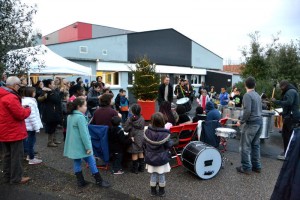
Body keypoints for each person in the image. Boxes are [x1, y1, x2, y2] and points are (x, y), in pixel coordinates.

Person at [64, 98, 110, 188]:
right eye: (84, 105)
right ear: (78, 106)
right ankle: (99, 181)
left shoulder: (70, 116)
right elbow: (84, 134)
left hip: (74, 145)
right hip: (83, 145)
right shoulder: (80, 117)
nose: (86, 107)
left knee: (77, 162)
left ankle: (80, 182)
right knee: (92, 161)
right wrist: (88, 147)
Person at [0, 76, 31, 184]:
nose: (19, 88)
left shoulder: (2, 95)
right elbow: (20, 114)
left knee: (7, 155)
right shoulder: (11, 97)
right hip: (13, 131)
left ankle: (6, 176)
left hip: (3, 130)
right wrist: (27, 109)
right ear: (14, 85)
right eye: (19, 85)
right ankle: (16, 178)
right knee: (16, 156)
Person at [236, 76, 263, 175]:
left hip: (252, 124)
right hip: (259, 122)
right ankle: (257, 167)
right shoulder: (257, 95)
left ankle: (246, 167)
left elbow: (247, 111)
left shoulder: (247, 95)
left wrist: (241, 121)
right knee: (255, 145)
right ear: (254, 85)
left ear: (245, 85)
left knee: (245, 146)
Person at [143, 112, 173, 197]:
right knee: (161, 174)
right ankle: (161, 191)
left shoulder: (147, 132)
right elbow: (168, 145)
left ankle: (153, 191)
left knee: (153, 174)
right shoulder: (166, 134)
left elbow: (144, 144)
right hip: (162, 158)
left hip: (150, 157)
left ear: (152, 121)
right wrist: (171, 142)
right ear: (163, 121)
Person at [271, 80, 300, 160]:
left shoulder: (290, 91)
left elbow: (289, 102)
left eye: (281, 88)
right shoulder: (292, 90)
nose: (281, 90)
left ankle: (287, 153)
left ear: (283, 86)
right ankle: (288, 152)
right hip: (291, 115)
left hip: (291, 117)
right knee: (288, 135)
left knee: (287, 135)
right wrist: (283, 113)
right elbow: (290, 105)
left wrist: (276, 101)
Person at [22, 87, 43, 165]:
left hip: (26, 125)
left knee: (27, 142)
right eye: (34, 92)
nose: (35, 93)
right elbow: (32, 116)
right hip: (30, 126)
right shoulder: (30, 102)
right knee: (31, 142)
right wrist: (36, 127)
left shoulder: (24, 100)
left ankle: (29, 155)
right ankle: (31, 158)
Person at [123, 104, 145, 174]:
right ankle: (141, 168)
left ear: (132, 111)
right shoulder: (142, 118)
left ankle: (134, 169)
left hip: (133, 136)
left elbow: (126, 129)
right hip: (140, 136)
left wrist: (130, 127)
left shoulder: (130, 119)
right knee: (140, 151)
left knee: (134, 152)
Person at [41, 79, 63, 147]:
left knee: (54, 125)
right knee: (50, 127)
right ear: (49, 85)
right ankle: (50, 142)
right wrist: (61, 93)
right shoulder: (47, 92)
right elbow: (56, 100)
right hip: (50, 112)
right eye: (53, 84)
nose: (54, 85)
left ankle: (54, 139)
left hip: (54, 111)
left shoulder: (52, 91)